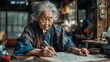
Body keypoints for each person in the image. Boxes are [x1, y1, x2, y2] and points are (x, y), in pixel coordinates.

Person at [13, 1, 89, 57]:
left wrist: (77, 50)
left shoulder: (58, 30)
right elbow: (21, 47)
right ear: (37, 17)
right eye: (43, 19)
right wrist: (40, 52)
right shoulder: (30, 29)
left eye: (49, 19)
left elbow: (67, 45)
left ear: (54, 18)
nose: (46, 23)